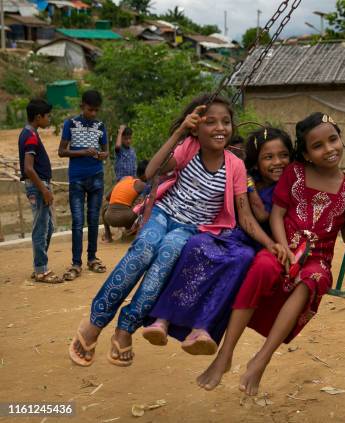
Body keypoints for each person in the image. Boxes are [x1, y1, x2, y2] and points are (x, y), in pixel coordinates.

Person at [67, 94, 288, 368]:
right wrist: (180, 132)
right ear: (196, 127)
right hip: (162, 215)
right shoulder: (188, 147)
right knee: (142, 252)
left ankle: (126, 328)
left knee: (163, 263)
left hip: (190, 229)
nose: (220, 128)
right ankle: (94, 323)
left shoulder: (235, 166)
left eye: (226, 122)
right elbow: (150, 171)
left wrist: (269, 243)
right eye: (211, 122)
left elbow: (245, 216)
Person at [196, 112, 345, 396]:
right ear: (306, 154)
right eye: (318, 146)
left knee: (311, 279)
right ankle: (224, 354)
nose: (329, 149)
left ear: (340, 139)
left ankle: (260, 360)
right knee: (263, 266)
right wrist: (282, 247)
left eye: (333, 140)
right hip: (284, 247)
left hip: (318, 259)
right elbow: (277, 215)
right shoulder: (296, 173)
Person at [142, 127, 293, 354]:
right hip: (223, 232)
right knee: (195, 246)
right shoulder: (242, 174)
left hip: (249, 243)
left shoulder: (283, 188)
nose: (277, 162)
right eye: (268, 157)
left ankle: (202, 329)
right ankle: (162, 320)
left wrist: (249, 185)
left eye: (283, 156)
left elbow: (261, 215)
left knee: (241, 261)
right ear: (256, 160)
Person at [58, 90, 109, 281]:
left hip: (96, 176)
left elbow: (106, 152)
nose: (93, 114)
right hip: (77, 178)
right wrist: (83, 152)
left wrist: (102, 155)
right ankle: (76, 262)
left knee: (94, 220)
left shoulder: (101, 126)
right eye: (90, 110)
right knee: (78, 222)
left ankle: (92, 258)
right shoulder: (70, 124)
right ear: (82, 106)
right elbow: (62, 152)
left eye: (96, 110)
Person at [19, 99, 61, 283]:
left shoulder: (31, 133)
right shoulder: (30, 136)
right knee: (41, 228)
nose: (49, 119)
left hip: (40, 185)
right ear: (38, 117)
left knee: (48, 227)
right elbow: (29, 168)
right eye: (48, 116)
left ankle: (39, 264)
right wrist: (44, 189)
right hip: (37, 186)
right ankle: (41, 270)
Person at [101, 160, 149, 243]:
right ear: (145, 175)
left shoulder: (124, 180)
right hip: (126, 217)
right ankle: (133, 232)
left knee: (105, 207)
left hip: (108, 217)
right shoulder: (141, 184)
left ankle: (108, 237)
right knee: (144, 204)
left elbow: (108, 197)